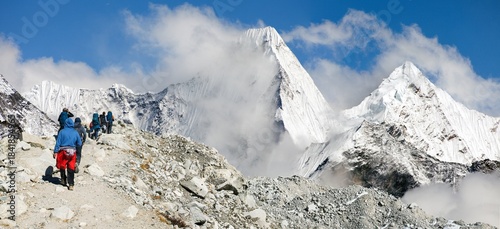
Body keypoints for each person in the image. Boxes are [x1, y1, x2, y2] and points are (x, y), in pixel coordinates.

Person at [53, 118, 82, 191]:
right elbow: (79, 143)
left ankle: (63, 179)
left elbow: (58, 143)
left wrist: (55, 152)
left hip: (63, 151)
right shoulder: (75, 132)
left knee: (62, 166)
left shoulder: (62, 132)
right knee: (71, 167)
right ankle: (71, 184)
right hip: (72, 152)